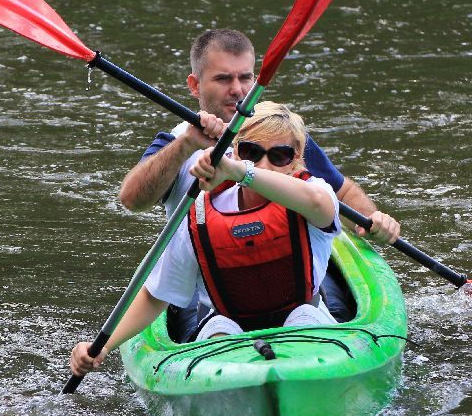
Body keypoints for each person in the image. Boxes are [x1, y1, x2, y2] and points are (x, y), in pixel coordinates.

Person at [117, 29, 399, 337]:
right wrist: (186, 145)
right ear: (195, 86)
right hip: (208, 294)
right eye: (223, 79)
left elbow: (340, 191)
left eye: (245, 78)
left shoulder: (278, 136)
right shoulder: (176, 141)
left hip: (289, 280)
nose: (237, 90)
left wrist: (371, 220)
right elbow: (132, 201)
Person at [72, 103, 340, 376]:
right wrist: (102, 346)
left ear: (295, 160)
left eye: (279, 156)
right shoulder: (199, 214)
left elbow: (319, 204)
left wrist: (239, 172)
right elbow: (157, 296)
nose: (263, 164)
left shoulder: (316, 193)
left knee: (302, 323)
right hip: (228, 324)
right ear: (235, 152)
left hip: (303, 315)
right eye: (251, 152)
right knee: (218, 331)